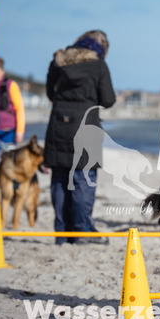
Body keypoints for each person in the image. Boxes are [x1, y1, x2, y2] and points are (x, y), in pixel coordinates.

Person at [43, 30, 115, 245]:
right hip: (85, 124)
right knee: (84, 178)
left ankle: (62, 232)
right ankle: (82, 229)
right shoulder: (98, 65)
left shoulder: (58, 61)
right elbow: (108, 99)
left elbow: (50, 93)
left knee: (59, 178)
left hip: (58, 124)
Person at [0, 57, 26, 194]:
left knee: (10, 162)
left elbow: (19, 108)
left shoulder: (11, 85)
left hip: (9, 130)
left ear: (2, 72)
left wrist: (20, 131)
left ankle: (13, 189)